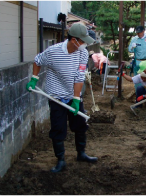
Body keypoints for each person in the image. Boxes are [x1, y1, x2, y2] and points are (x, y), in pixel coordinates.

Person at [26, 22, 98, 173]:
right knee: (58, 129)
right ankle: (61, 161)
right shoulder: (53, 52)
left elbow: (79, 78)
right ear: (74, 40)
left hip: (73, 95)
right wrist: (34, 78)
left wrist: (76, 100)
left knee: (80, 125)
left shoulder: (83, 53)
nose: (85, 44)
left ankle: (81, 154)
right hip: (56, 96)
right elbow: (37, 61)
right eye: (83, 40)